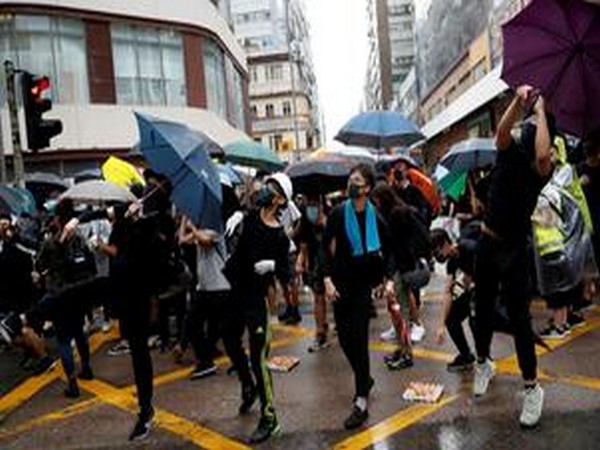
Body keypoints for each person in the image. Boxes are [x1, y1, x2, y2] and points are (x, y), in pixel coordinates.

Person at [473, 85, 553, 428]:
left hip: (515, 248)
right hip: (487, 243)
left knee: (520, 321)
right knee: (482, 309)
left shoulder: (540, 167)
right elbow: (501, 133)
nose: (524, 130)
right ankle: (482, 362)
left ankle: (532, 388)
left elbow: (542, 156)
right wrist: (518, 102)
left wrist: (540, 113)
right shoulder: (508, 149)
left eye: (531, 129)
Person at [222, 173, 294, 444]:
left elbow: (286, 273)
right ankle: (247, 384)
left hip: (257, 300)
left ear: (280, 200)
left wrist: (274, 265)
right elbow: (235, 246)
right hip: (236, 291)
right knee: (229, 339)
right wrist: (236, 218)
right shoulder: (249, 218)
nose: (264, 190)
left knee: (259, 359)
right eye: (267, 186)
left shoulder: (279, 235)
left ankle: (270, 419)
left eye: (271, 188)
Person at [324, 164, 395, 430]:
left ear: (366, 188)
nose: (351, 184)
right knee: (343, 339)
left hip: (363, 285)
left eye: (357, 180)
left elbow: (389, 250)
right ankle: (364, 378)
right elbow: (325, 246)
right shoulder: (338, 213)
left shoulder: (376, 217)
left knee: (359, 337)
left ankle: (361, 401)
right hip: (341, 282)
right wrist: (327, 279)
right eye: (350, 179)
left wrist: (387, 280)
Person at [371, 182, 425, 370]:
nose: (375, 204)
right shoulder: (400, 210)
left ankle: (406, 354)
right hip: (403, 266)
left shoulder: (395, 215)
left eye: (376, 200)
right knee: (397, 311)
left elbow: (394, 246)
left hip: (401, 269)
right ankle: (402, 350)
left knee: (400, 313)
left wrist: (389, 275)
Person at [179, 217, 229, 379]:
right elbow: (182, 240)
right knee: (193, 324)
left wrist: (192, 226)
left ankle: (240, 360)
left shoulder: (215, 224)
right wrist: (184, 219)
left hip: (219, 286)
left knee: (224, 328)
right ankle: (206, 362)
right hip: (204, 287)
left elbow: (206, 241)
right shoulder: (200, 227)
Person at [430, 228, 477, 372]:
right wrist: (442, 325)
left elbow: (468, 281)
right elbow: (448, 291)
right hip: (472, 287)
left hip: (490, 286)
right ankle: (466, 355)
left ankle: (484, 356)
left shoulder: (468, 249)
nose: (436, 256)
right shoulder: (452, 262)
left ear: (445, 244)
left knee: (474, 318)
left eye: (437, 251)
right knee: (451, 318)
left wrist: (458, 291)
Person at [296, 195, 329, 352]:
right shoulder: (305, 214)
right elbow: (303, 240)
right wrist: (302, 259)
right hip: (316, 263)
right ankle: (320, 332)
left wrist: (325, 222)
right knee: (318, 297)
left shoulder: (331, 211)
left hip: (332, 263)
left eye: (314, 202)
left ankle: (330, 326)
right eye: (309, 203)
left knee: (335, 297)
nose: (311, 206)